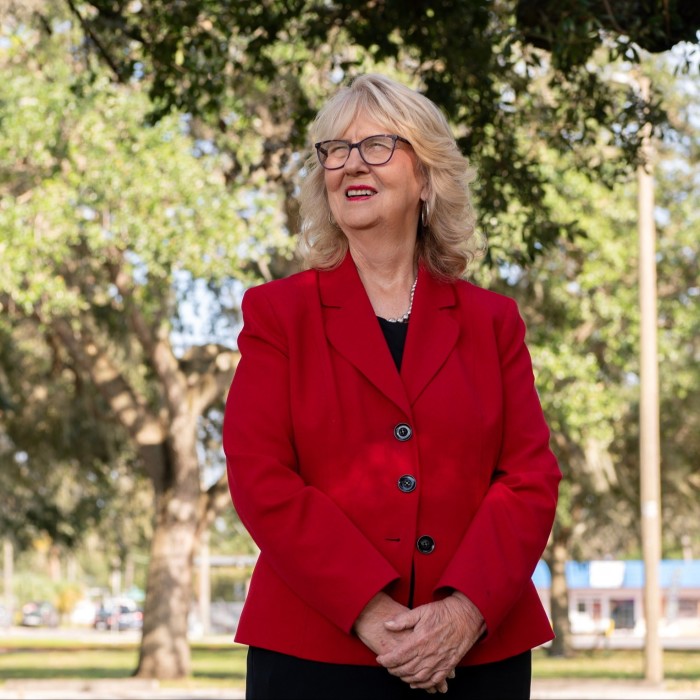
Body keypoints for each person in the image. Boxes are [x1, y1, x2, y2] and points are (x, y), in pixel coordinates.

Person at [223, 73, 561, 699]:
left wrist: (463, 613)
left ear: (427, 179)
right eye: (335, 150)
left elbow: (529, 479)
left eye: (379, 145)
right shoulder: (277, 315)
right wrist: (371, 615)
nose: (353, 163)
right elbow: (259, 474)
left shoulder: (494, 322)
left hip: (476, 654)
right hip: (314, 654)